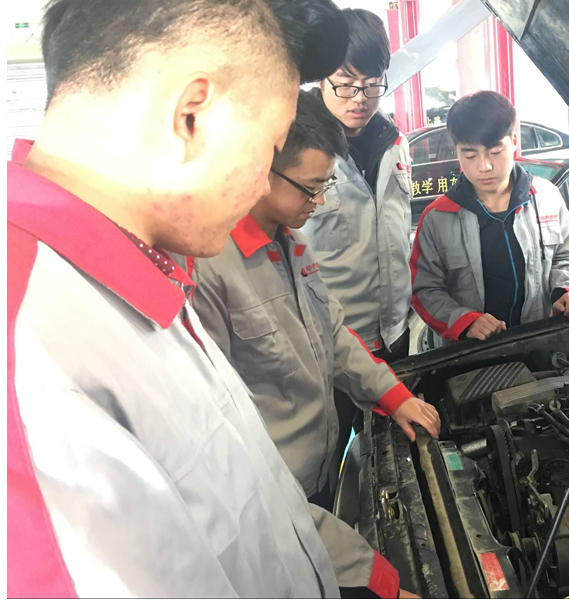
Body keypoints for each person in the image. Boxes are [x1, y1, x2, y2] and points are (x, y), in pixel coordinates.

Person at [7, 1, 404, 597]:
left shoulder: (139, 281)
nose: (260, 185)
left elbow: (251, 499)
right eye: (268, 148)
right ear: (190, 117)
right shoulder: (27, 353)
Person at [182, 91, 440, 515]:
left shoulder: (292, 242)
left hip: (316, 475)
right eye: (312, 188)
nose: (319, 201)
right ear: (261, 169)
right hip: (267, 495)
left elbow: (331, 334)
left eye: (326, 185)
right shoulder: (208, 268)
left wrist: (393, 395)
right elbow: (212, 417)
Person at [301, 8, 414, 475]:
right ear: (320, 78)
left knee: (397, 462)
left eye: (372, 85)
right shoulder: (296, 151)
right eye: (346, 84)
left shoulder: (394, 142)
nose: (360, 99)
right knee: (327, 466)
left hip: (395, 334)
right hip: (335, 346)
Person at [410, 91, 569, 346]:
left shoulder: (546, 197)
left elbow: (565, 255)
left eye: (495, 151)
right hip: (469, 352)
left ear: (514, 141)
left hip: (538, 342)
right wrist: (465, 321)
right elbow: (424, 290)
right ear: (457, 151)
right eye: (470, 155)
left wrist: (565, 290)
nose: (484, 166)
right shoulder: (438, 217)